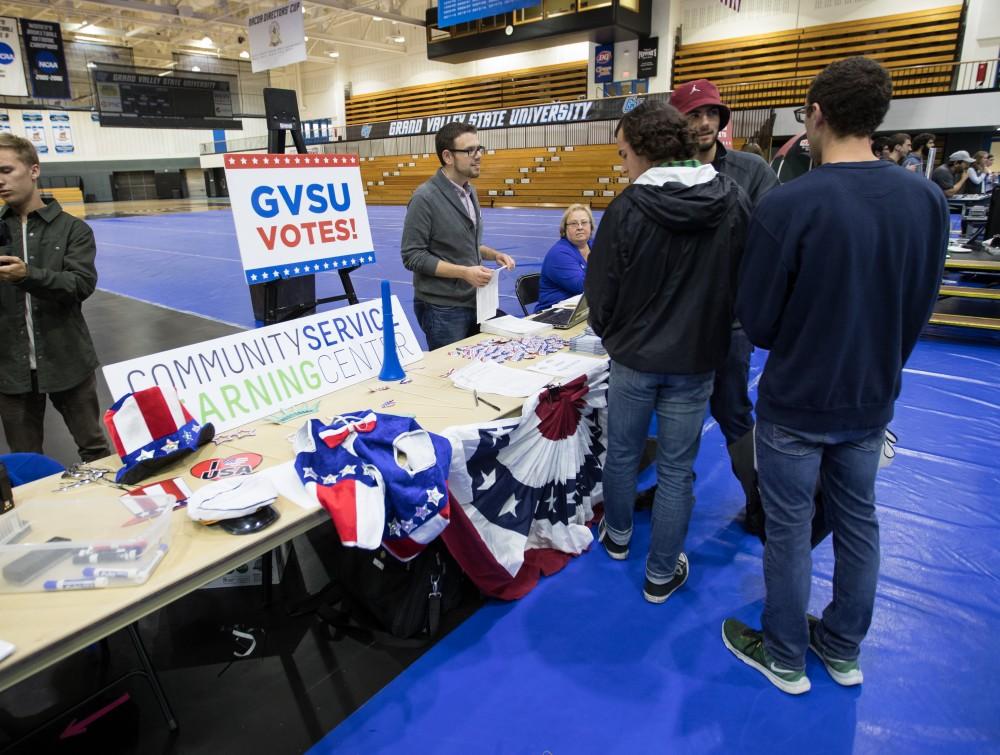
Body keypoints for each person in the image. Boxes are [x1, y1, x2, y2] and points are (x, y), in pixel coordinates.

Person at [722, 56, 947, 695]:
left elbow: (758, 322)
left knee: (790, 531)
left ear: (816, 114)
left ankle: (786, 653)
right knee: (859, 522)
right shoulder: (926, 199)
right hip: (872, 397)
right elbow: (920, 305)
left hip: (797, 401)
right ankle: (843, 647)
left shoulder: (791, 202)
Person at [585, 100, 750, 604]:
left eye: (623, 154)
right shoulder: (732, 199)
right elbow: (746, 279)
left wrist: (615, 336)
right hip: (696, 360)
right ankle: (660, 572)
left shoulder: (628, 208)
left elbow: (602, 292)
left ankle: (616, 537)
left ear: (640, 151)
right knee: (678, 468)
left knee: (624, 453)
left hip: (636, 358)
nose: (623, 164)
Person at [670, 77, 779, 536]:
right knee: (677, 409)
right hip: (677, 319)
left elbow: (773, 240)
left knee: (732, 408)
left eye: (711, 114)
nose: (704, 122)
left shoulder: (751, 171)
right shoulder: (664, 172)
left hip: (730, 318)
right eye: (694, 115)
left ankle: (758, 499)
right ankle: (674, 492)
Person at [0, 133, 112, 462]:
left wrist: (28, 275)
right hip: (10, 365)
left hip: (68, 358)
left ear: (33, 170)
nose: (0, 180)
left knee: (94, 449)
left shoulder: (72, 230)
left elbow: (80, 285)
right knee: (25, 457)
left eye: (7, 170)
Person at [400, 123, 515, 351]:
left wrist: (494, 254)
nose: (478, 156)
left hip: (475, 301)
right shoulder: (425, 198)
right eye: (470, 150)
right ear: (448, 156)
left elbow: (465, 243)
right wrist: (464, 272)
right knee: (450, 376)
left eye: (479, 148)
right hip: (442, 309)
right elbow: (412, 256)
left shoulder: (469, 192)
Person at [535, 203, 593, 312]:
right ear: (564, 229)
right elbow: (584, 287)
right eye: (574, 224)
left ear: (591, 226)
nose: (580, 227)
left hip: (582, 311)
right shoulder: (559, 254)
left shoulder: (595, 245)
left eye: (584, 222)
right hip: (552, 315)